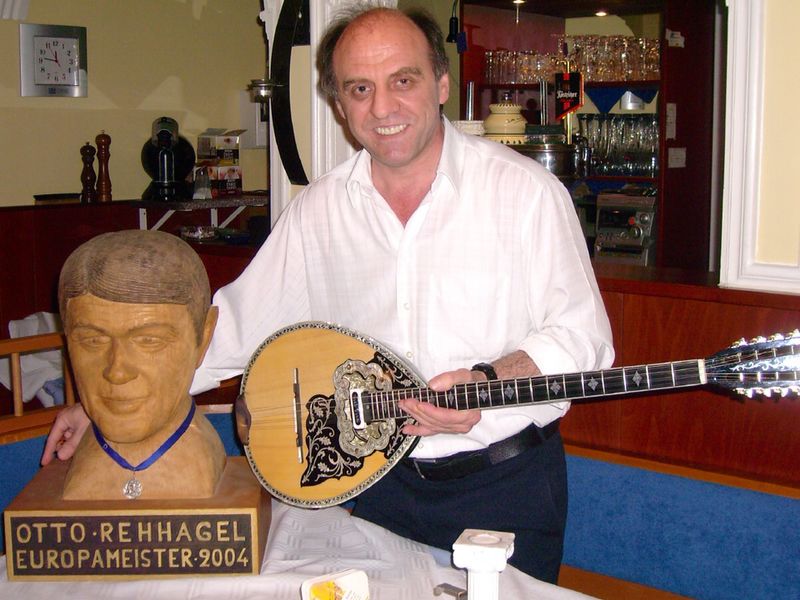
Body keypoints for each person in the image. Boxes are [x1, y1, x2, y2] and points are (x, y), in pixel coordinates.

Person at [43, 5, 612, 582]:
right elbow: (233, 327)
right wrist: (108, 403)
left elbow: (583, 339)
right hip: (373, 491)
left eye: (403, 81)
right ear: (340, 105)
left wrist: (488, 382)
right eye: (360, 89)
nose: (382, 108)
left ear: (442, 84)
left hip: (504, 492)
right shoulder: (317, 212)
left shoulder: (526, 194)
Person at [46, 229, 225, 500]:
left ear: (205, 335)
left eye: (149, 341)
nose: (117, 371)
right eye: (93, 341)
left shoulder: (199, 469)